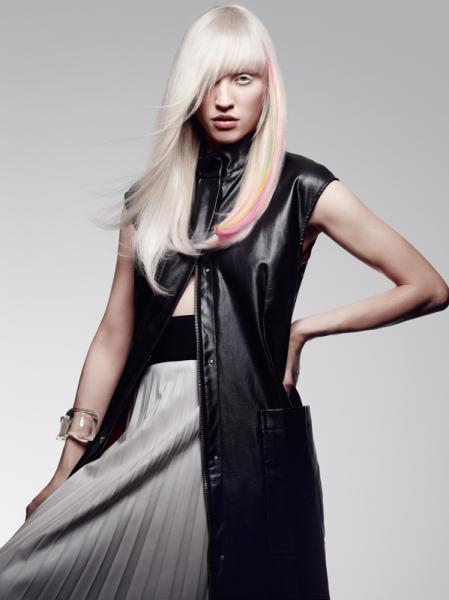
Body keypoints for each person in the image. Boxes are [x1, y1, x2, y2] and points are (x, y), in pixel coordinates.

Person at [1, 4, 448, 600]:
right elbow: (113, 335)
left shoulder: (301, 186)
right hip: (150, 420)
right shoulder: (148, 201)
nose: (224, 99)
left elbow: (427, 286)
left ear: (268, 86)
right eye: (208, 80)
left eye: (243, 78)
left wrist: (303, 330)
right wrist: (65, 470)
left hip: (242, 430)